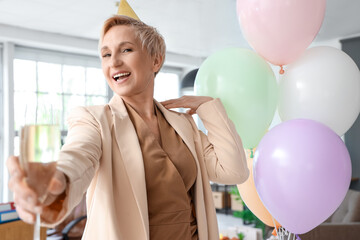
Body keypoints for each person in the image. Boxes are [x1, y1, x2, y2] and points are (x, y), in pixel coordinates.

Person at [7, 5, 249, 240]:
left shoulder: (182, 124)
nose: (113, 62)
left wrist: (209, 108)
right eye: (106, 54)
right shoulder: (94, 120)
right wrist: (58, 180)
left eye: (126, 50)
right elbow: (78, 155)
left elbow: (233, 170)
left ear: (155, 61)